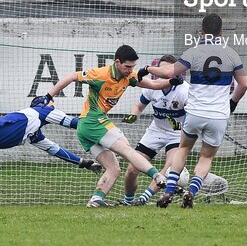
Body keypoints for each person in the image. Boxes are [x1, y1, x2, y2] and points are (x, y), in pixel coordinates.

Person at [37, 45, 177, 207]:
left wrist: (172, 81)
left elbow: (154, 85)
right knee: (127, 150)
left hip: (87, 128)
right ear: (117, 62)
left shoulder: (129, 77)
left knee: (114, 169)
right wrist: (48, 97)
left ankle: (96, 200)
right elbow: (71, 77)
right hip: (93, 122)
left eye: (133, 67)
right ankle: (158, 177)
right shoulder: (101, 74)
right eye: (127, 66)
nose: (130, 70)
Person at [144, 14, 247, 209]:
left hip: (194, 113)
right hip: (218, 115)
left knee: (183, 149)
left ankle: (169, 190)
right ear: (221, 32)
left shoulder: (193, 52)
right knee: (206, 157)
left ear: (201, 32)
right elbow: (244, 85)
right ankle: (192, 191)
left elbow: (168, 73)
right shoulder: (232, 54)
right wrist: (231, 104)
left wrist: (146, 68)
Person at [119, 55, 189, 206]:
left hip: (177, 133)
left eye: (168, 69)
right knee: (132, 169)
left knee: (170, 167)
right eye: (161, 68)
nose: (163, 72)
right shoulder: (152, 87)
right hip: (155, 131)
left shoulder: (184, 91)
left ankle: (143, 199)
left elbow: (192, 117)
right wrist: (133, 115)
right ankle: (128, 201)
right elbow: (138, 106)